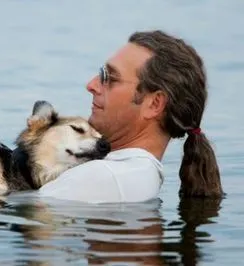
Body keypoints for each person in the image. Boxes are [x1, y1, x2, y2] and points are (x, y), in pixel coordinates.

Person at [39, 30, 223, 203]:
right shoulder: (135, 174)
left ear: (154, 104)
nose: (92, 85)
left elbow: (28, 219)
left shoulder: (106, 177)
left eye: (110, 77)